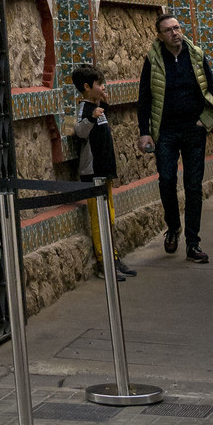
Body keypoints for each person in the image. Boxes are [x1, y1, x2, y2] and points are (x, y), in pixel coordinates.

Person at [137, 10, 213, 263]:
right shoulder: (153, 60)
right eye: (169, 30)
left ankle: (193, 244)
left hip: (193, 130)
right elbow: (144, 99)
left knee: (193, 186)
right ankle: (173, 227)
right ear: (160, 36)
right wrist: (145, 132)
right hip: (167, 132)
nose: (175, 33)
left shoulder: (196, 55)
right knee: (167, 181)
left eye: (177, 28)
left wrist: (203, 121)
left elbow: (212, 91)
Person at [70, 65, 135, 279]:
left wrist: (102, 104)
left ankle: (113, 256)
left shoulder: (98, 106)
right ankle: (104, 262)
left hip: (105, 169)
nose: (103, 87)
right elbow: (79, 131)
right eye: (99, 84)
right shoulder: (85, 109)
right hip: (93, 171)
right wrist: (92, 116)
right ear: (87, 87)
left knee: (109, 216)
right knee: (99, 218)